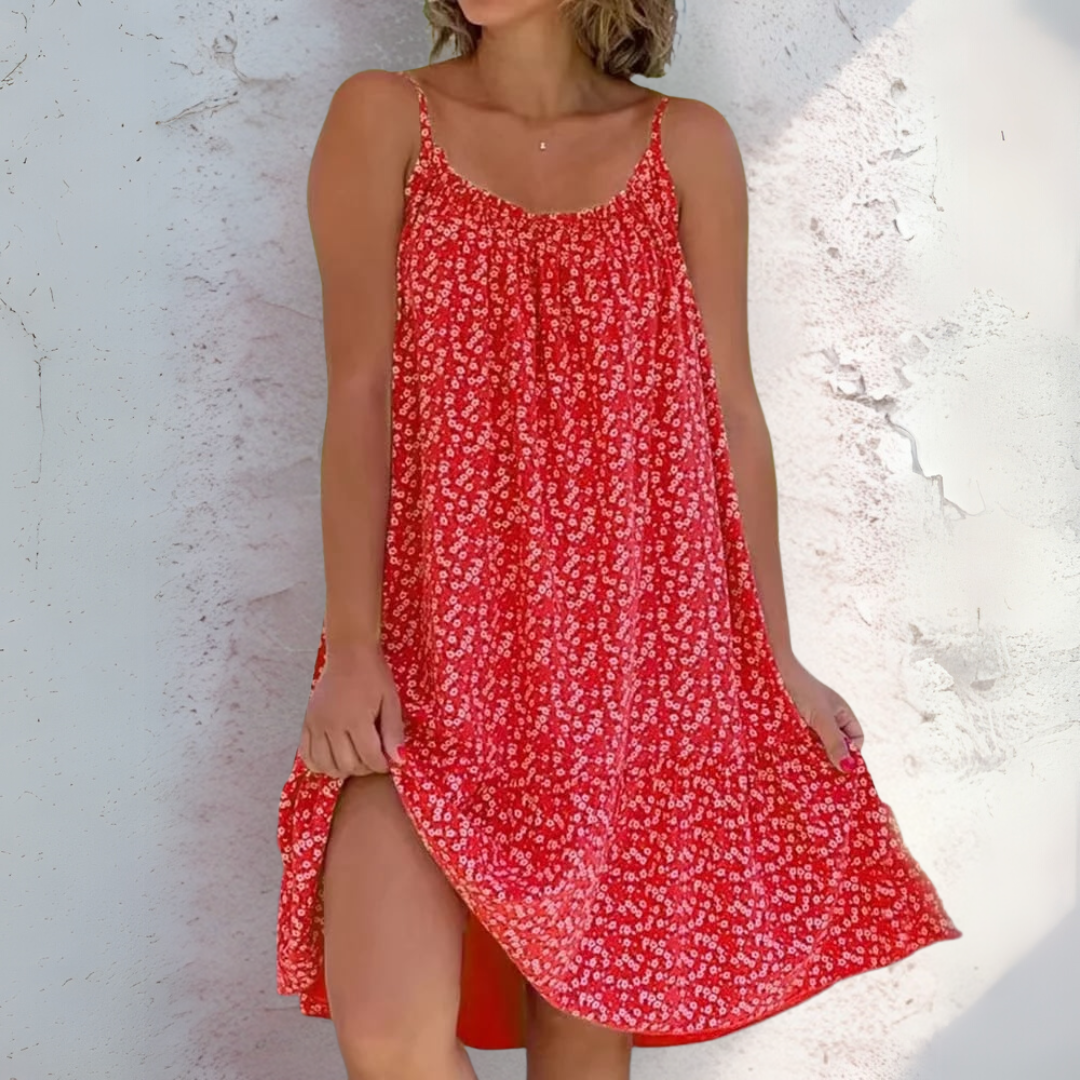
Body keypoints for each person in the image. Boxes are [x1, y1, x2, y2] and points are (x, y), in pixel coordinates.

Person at [275, 2, 962, 1078]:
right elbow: (358, 393)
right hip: (433, 648)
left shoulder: (684, 146)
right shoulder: (384, 119)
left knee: (583, 1037)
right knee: (388, 1036)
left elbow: (733, 414)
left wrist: (774, 656)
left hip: (633, 669)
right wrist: (355, 646)